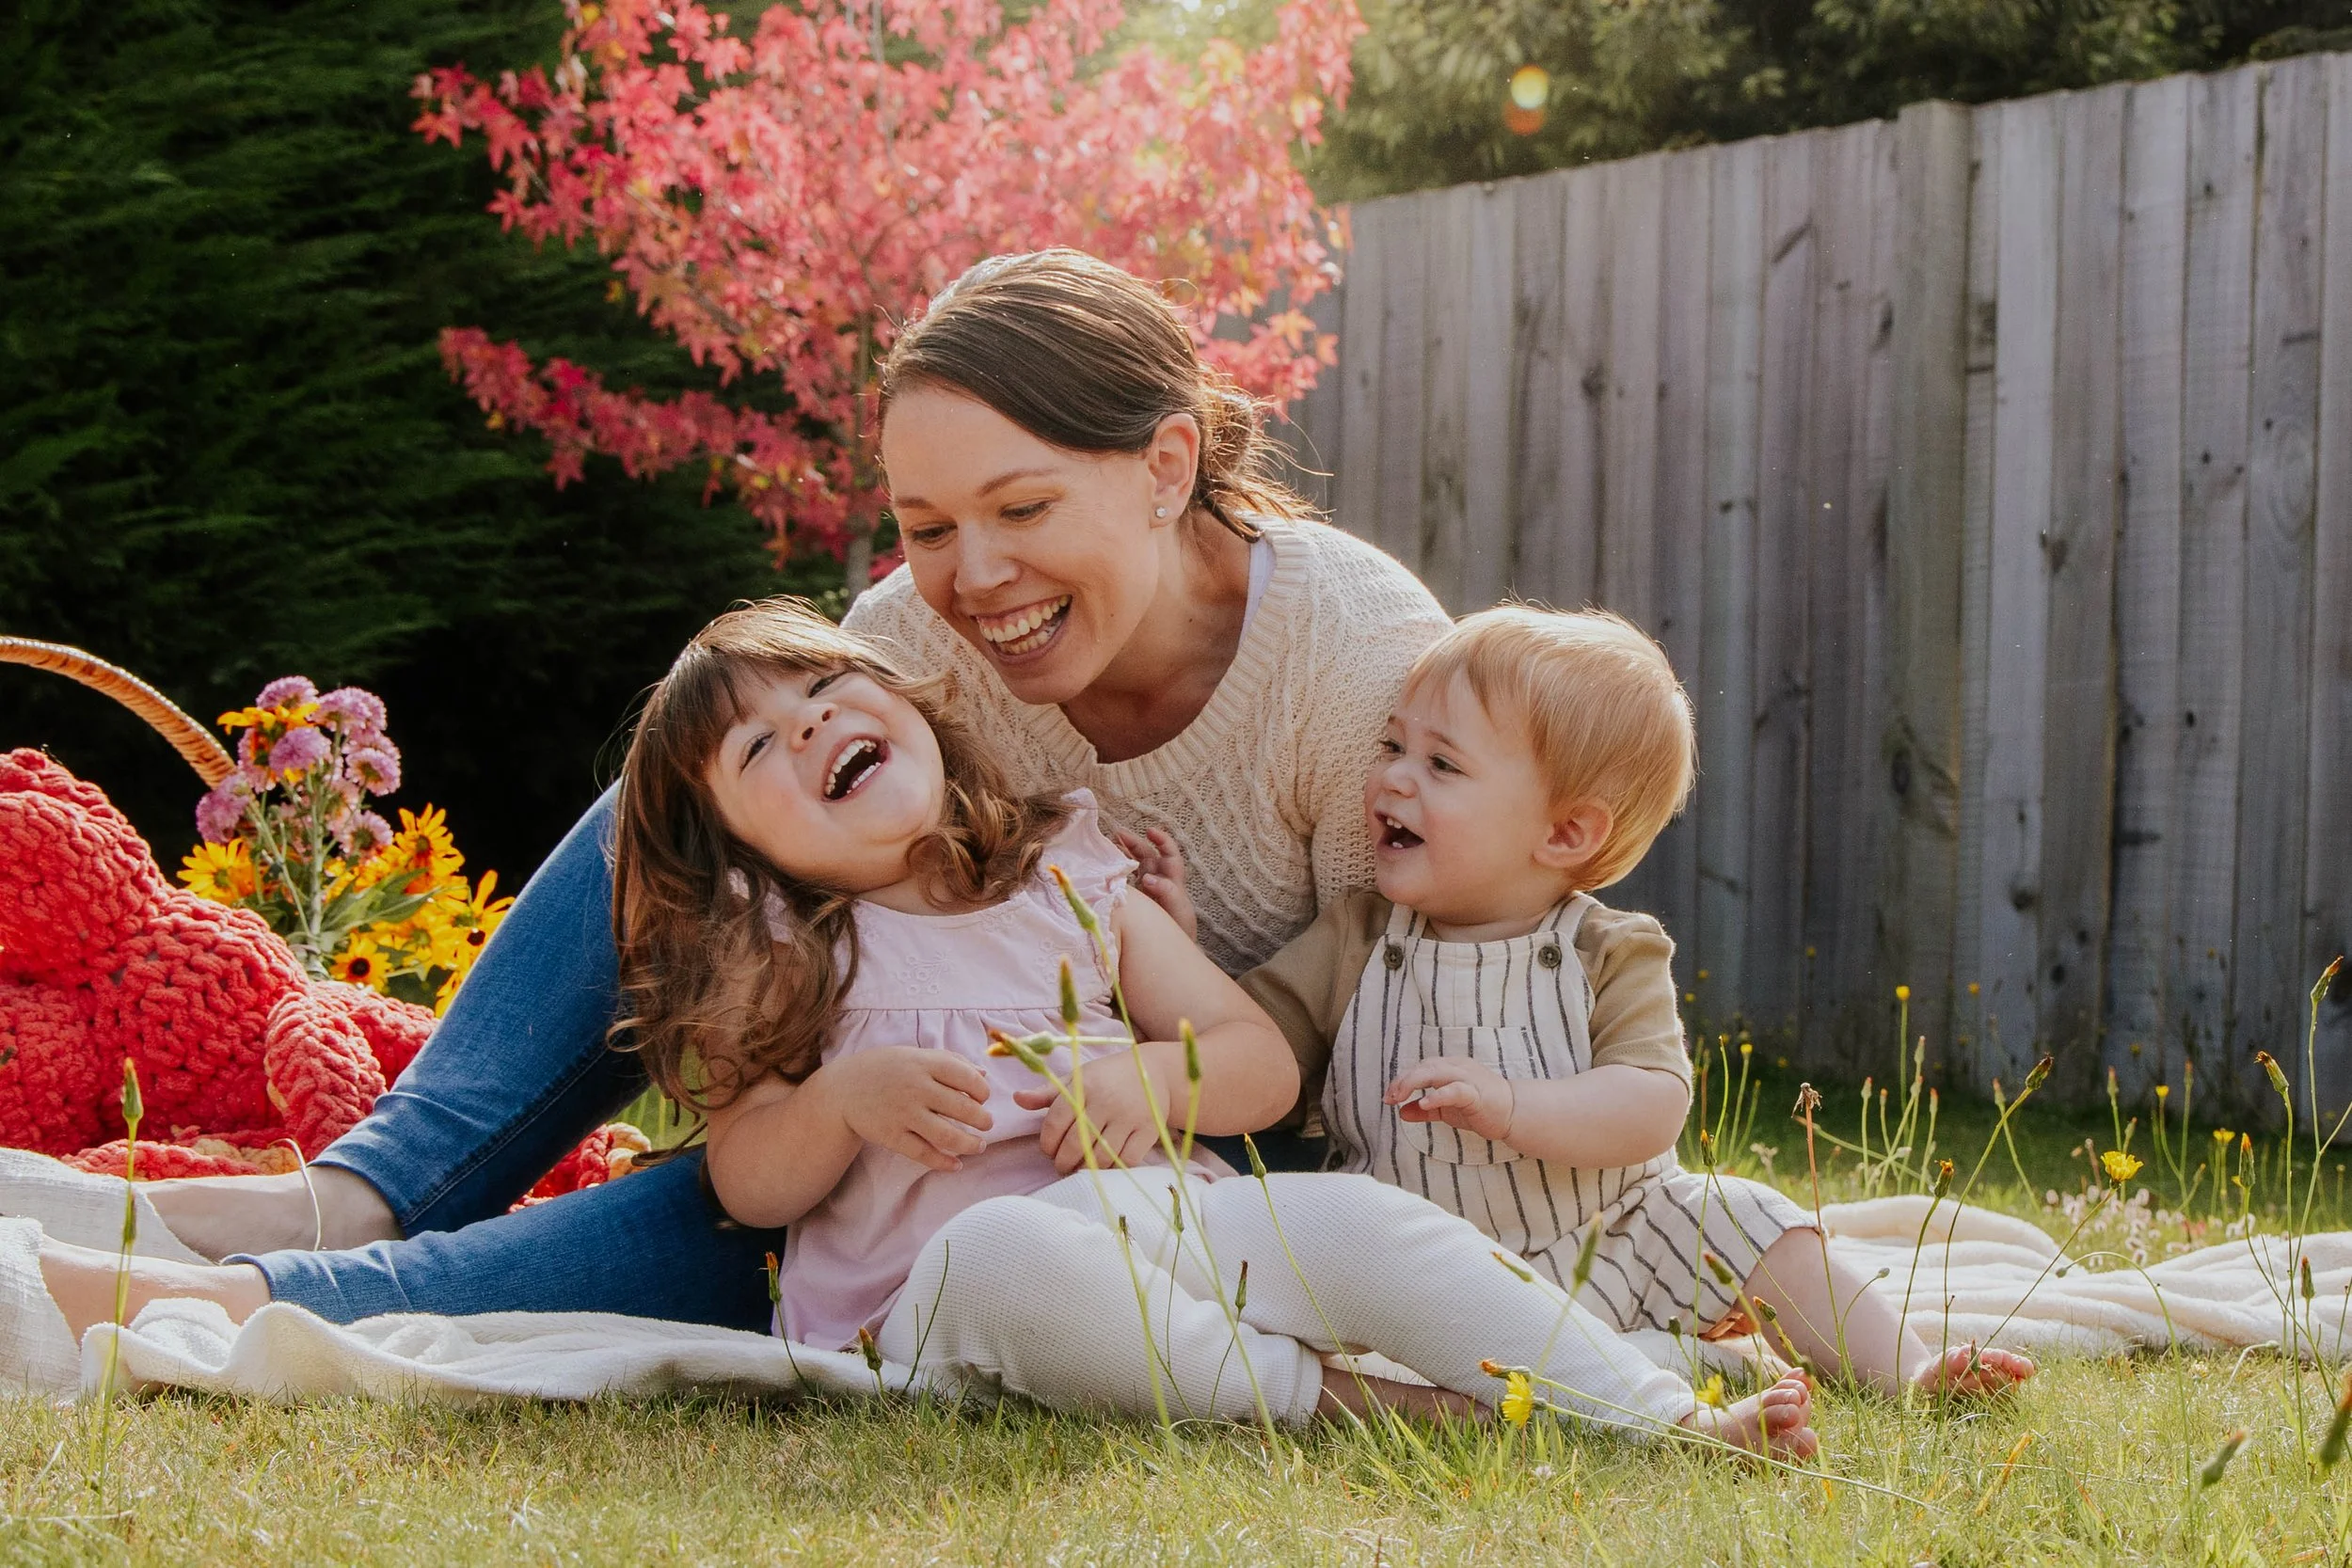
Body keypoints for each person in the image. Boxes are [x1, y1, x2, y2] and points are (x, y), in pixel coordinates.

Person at [0, 248, 1452, 1332]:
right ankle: (358, 1199)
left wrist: (1163, 1082)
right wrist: (806, 1082)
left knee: (752, 1205)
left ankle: (290, 1290)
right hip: (898, 1155)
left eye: (1022, 509)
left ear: (1167, 464)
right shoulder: (900, 653)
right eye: (926, 525)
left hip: (1192, 1158)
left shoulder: (1359, 668)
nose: (973, 579)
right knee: (690, 780)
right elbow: (744, 892)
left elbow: (1416, 1035)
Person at [7, 603, 1819, 1454]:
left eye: (824, 687)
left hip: (1155, 1207)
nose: (810, 725)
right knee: (1036, 1258)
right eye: (760, 753)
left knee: (1348, 1222)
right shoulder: (793, 955)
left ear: (909, 706)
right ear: (752, 851)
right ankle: (1349, 1404)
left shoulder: (1080, 876)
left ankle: (1657, 1419)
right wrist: (856, 1093)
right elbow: (747, 1175)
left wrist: (1146, 1071)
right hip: (944, 1299)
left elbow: (1256, 1065)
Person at [1149, 605, 2039, 1399]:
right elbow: (1251, 1046)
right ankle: (1615, 1363)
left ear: (1566, 831)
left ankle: (1911, 1369)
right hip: (1425, 1266)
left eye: (1441, 763)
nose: (1392, 779)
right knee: (1310, 1297)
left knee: (1748, 1218)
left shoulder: (1607, 948)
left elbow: (1652, 1103)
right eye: (1393, 747)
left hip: (1614, 1233)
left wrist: (1512, 1106)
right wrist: (1176, 949)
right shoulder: (1356, 938)